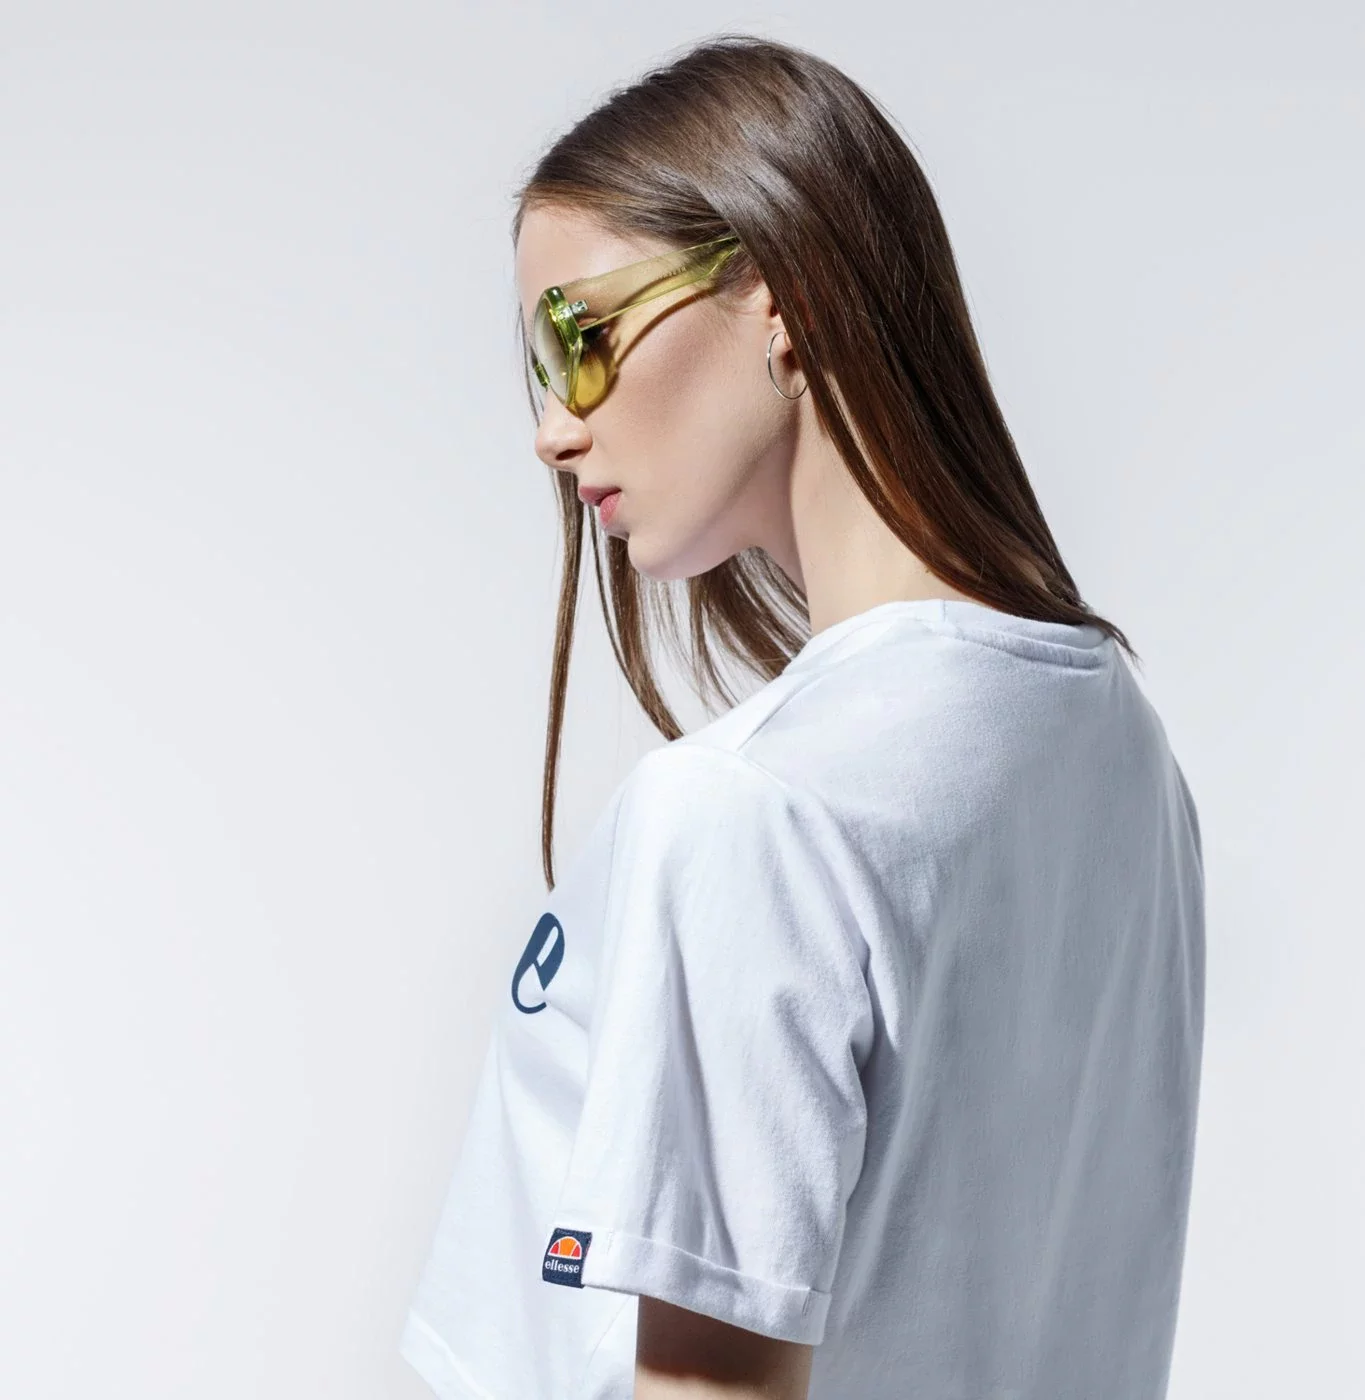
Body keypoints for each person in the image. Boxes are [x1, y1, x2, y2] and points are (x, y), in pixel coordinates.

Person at [399, 32, 1205, 1400]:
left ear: (782, 301)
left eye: (580, 340)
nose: (551, 425)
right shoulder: (1122, 746)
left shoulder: (750, 809)